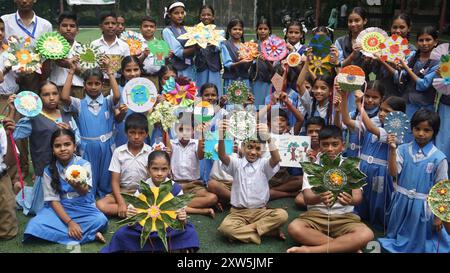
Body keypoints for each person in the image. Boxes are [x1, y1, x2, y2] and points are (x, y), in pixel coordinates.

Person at [287, 125, 374, 253]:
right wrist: (319, 197)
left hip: (345, 218)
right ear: (320, 146)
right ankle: (346, 247)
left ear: (342, 145)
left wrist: (350, 200)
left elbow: (358, 197)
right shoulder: (312, 167)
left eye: (335, 144)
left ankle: (312, 251)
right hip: (315, 217)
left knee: (367, 234)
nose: (330, 149)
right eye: (325, 145)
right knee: (295, 228)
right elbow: (307, 198)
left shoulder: (351, 166)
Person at [379, 109, 450, 253]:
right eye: (417, 129)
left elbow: (441, 189)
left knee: (419, 241)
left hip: (423, 207)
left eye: (427, 130)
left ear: (434, 132)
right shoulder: (403, 149)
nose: (421, 133)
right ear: (411, 128)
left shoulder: (439, 158)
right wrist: (393, 150)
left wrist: (438, 217)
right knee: (396, 235)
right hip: (401, 202)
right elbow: (393, 173)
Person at [101, 150, 200, 253]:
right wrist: (130, 216)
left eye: (164, 169)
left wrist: (182, 219)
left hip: (169, 229)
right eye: (155, 169)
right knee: (121, 233)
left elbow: (181, 220)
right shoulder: (142, 188)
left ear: (169, 169)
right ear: (148, 169)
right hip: (145, 228)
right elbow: (133, 217)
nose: (159, 173)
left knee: (190, 232)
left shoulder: (176, 189)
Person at [23, 129, 108, 245]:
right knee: (34, 225)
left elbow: (85, 191)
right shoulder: (48, 170)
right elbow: (54, 201)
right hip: (60, 208)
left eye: (67, 144)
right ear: (53, 150)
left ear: (74, 147)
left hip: (82, 206)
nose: (62, 149)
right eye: (57, 146)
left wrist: (77, 185)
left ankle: (72, 233)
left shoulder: (84, 164)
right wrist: (70, 222)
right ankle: (90, 235)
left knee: (100, 220)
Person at [11, 82, 80, 216]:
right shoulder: (34, 118)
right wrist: (14, 111)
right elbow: (15, 134)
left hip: (66, 167)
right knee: (39, 209)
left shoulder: (66, 115)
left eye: (54, 93)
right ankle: (22, 192)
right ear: (39, 98)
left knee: (67, 205)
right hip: (45, 168)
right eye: (46, 94)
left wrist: (69, 131)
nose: (52, 97)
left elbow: (78, 140)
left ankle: (23, 189)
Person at [216, 120, 288, 244]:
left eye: (258, 148)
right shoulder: (236, 163)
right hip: (238, 213)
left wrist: (269, 138)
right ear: (243, 147)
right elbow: (222, 156)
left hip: (260, 212)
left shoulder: (264, 165)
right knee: (225, 229)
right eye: (249, 147)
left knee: (282, 215)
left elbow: (276, 159)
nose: (253, 152)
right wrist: (221, 136)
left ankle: (242, 233)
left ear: (263, 150)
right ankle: (268, 232)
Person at [61, 58, 122, 198]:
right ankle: (89, 198)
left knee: (106, 174)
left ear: (102, 85)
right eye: (89, 83)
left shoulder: (107, 102)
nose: (93, 87)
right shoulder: (79, 104)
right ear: (84, 85)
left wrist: (110, 72)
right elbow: (64, 97)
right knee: (89, 174)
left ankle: (105, 197)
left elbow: (117, 95)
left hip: (106, 146)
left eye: (97, 83)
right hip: (86, 147)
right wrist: (71, 71)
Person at [96, 113, 152, 217]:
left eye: (141, 133)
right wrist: (121, 203)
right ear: (126, 132)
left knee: (157, 202)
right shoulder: (119, 152)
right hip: (124, 192)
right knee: (100, 205)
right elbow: (114, 181)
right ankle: (139, 212)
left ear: (146, 134)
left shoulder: (150, 152)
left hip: (144, 193)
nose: (136, 137)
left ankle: (133, 211)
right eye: (132, 132)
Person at [170, 112, 217, 217]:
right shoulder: (171, 144)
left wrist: (202, 134)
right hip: (175, 185)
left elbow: (201, 156)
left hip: (193, 186)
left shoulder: (196, 143)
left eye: (188, 130)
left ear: (193, 131)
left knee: (213, 198)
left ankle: (177, 205)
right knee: (164, 198)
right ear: (176, 129)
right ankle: (202, 210)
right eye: (181, 130)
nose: (184, 133)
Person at [91, 11, 131, 97]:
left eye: (113, 23)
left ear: (117, 25)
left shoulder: (124, 46)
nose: (110, 26)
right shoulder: (94, 45)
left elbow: (128, 66)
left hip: (119, 83)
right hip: (100, 85)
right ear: (101, 26)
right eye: (106, 23)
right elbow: (91, 66)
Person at [48, 11, 84, 99]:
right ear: (58, 29)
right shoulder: (49, 48)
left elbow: (88, 73)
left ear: (77, 30)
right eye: (64, 25)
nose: (68, 29)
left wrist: (70, 65)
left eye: (72, 26)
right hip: (57, 89)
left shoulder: (83, 49)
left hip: (79, 89)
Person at [294, 116, 325, 208]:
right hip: (308, 184)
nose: (314, 134)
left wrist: (314, 163)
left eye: (318, 131)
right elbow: (303, 176)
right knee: (299, 199)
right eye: (310, 132)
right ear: (306, 133)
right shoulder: (301, 147)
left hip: (323, 184)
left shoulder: (328, 148)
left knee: (300, 200)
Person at [162, 1, 197, 81]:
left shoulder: (187, 29)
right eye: (176, 13)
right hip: (177, 69)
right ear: (169, 15)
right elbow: (178, 52)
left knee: (191, 91)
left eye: (182, 13)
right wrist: (198, 46)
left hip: (190, 67)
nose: (180, 16)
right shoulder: (167, 31)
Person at [221, 18, 252, 93]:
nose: (237, 31)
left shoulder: (247, 46)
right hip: (230, 79)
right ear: (229, 31)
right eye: (234, 29)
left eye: (240, 29)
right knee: (230, 103)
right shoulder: (225, 44)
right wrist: (241, 62)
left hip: (244, 80)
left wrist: (250, 61)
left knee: (244, 102)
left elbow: (247, 67)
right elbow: (227, 64)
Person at [0, 116, 18, 240]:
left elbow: (10, 161)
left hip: (1, 179)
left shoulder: (1, 128)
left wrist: (8, 136)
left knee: (7, 232)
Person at [251, 18, 274, 109]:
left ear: (269, 30)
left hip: (270, 81)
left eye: (265, 29)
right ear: (256, 30)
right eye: (260, 29)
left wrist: (266, 61)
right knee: (256, 107)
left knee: (270, 109)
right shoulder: (253, 45)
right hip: (256, 80)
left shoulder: (275, 45)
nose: (262, 31)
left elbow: (276, 68)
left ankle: (271, 123)